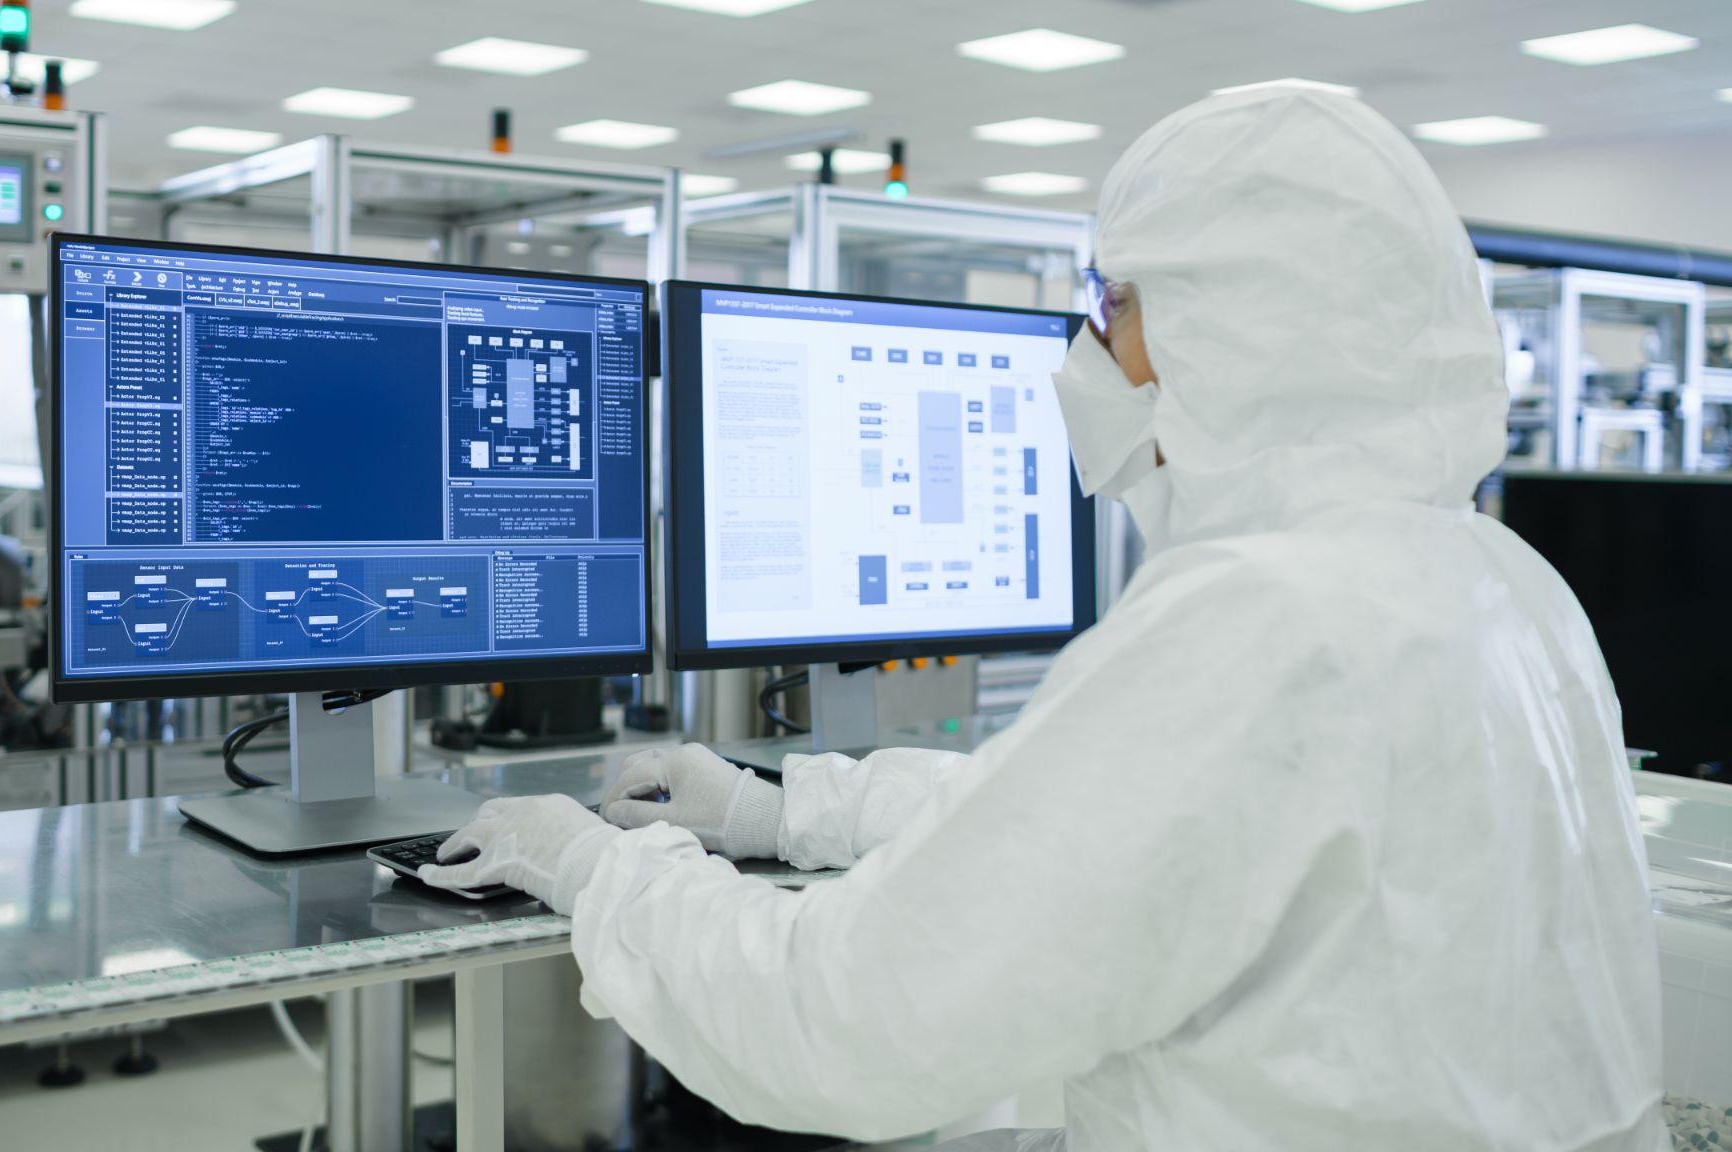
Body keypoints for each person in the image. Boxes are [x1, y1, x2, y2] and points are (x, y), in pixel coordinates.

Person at [422, 89, 1666, 1151]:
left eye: (1114, 303)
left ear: (1230, 321)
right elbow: (1105, 830)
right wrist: (780, 809)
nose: (1091, 348)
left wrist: (601, 874)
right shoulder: (1499, 587)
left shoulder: (1261, 620)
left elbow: (849, 1021)